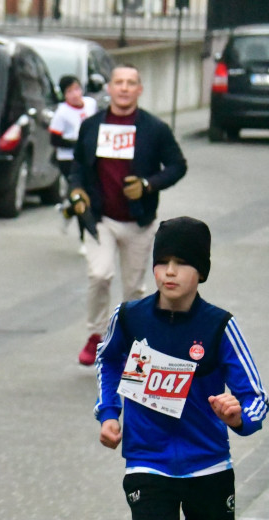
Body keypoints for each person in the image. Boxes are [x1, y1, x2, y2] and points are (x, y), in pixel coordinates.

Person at [94, 217, 267, 520]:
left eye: (182, 263)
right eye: (162, 262)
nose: (169, 272)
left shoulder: (218, 327)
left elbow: (255, 398)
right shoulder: (131, 319)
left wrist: (238, 415)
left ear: (201, 272)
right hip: (147, 463)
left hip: (208, 467)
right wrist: (109, 414)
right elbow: (108, 361)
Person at [68, 64, 187, 366]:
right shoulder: (92, 125)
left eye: (130, 83)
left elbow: (177, 165)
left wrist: (148, 185)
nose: (123, 88)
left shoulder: (154, 128)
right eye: (118, 82)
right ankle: (96, 336)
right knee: (99, 274)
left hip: (138, 221)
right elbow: (78, 167)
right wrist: (76, 192)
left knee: (133, 288)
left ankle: (129, 343)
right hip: (101, 219)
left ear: (139, 90)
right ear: (108, 88)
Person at [50, 75, 98, 244]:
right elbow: (54, 140)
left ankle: (67, 211)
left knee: (89, 193)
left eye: (77, 89)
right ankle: (84, 238)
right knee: (80, 195)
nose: (75, 94)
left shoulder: (91, 104)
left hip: (89, 158)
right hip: (68, 160)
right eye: (70, 91)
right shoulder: (62, 113)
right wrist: (76, 144)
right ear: (64, 95)